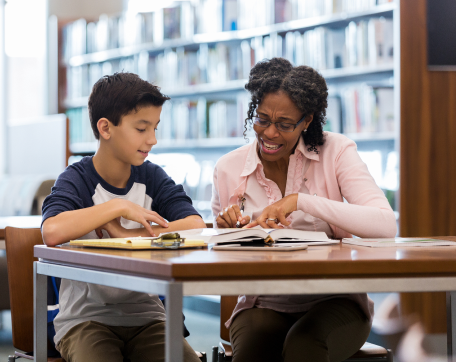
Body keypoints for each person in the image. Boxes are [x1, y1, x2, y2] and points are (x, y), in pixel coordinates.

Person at [212, 57, 397, 362]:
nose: (269, 133)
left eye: (284, 125)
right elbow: (220, 253)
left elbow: (385, 223)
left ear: (307, 121)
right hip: (263, 302)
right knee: (252, 351)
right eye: (261, 119)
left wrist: (300, 201)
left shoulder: (335, 151)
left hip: (337, 301)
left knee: (303, 346)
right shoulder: (229, 168)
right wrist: (228, 233)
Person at [42, 72, 205, 362]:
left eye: (155, 128)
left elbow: (194, 225)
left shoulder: (152, 176)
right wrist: (115, 208)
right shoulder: (76, 179)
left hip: (148, 318)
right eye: (142, 129)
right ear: (105, 128)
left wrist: (131, 236)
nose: (152, 139)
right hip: (85, 320)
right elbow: (52, 231)